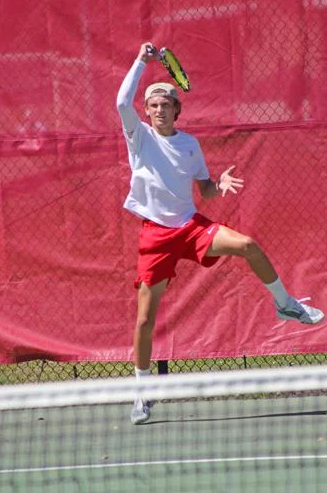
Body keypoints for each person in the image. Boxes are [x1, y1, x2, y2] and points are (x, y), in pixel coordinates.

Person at [116, 42, 324, 425]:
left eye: (166, 104)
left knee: (247, 244)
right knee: (145, 320)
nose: (160, 109)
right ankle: (141, 393)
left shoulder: (190, 145)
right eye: (154, 105)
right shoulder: (139, 137)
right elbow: (121, 102)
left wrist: (217, 184)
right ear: (147, 111)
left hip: (191, 226)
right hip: (155, 237)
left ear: (177, 109)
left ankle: (284, 302)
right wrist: (140, 61)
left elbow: (204, 188)